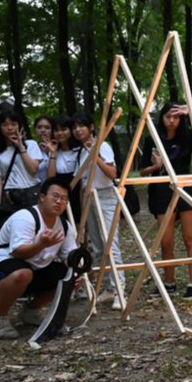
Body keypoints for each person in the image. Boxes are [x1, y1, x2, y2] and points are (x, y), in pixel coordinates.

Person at [0, 176, 78, 339]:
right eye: (55, 196)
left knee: (67, 275)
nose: (59, 202)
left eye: (64, 199)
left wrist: (78, 272)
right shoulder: (25, 217)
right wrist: (42, 244)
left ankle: (31, 311)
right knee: (23, 273)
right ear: (42, 197)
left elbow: (70, 256)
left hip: (32, 270)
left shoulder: (65, 226)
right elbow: (18, 252)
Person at [139, 103, 192, 299]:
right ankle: (169, 284)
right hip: (161, 191)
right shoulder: (152, 139)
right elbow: (142, 171)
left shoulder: (186, 136)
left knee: (189, 238)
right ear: (161, 118)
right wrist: (155, 166)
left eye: (176, 117)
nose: (172, 120)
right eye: (168, 116)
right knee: (166, 241)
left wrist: (191, 110)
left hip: (185, 187)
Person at [71, 113, 124, 309]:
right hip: (88, 199)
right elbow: (82, 182)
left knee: (110, 244)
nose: (78, 130)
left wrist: (96, 155)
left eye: (81, 126)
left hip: (105, 196)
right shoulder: (79, 151)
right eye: (75, 127)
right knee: (99, 248)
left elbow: (112, 174)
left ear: (91, 127)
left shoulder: (102, 146)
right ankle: (109, 288)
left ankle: (120, 290)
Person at [0, 110, 43, 211]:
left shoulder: (31, 145)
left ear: (19, 125)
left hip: (32, 193)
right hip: (10, 196)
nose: (10, 128)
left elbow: (33, 169)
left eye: (14, 124)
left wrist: (21, 147)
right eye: (5, 125)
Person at [46, 115, 83, 222]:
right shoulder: (54, 152)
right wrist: (52, 153)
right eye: (56, 130)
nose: (60, 133)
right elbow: (50, 178)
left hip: (77, 192)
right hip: (60, 193)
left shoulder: (79, 150)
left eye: (64, 129)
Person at [33, 116, 54, 181]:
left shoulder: (59, 147)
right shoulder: (31, 148)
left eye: (47, 128)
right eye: (39, 127)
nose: (43, 130)